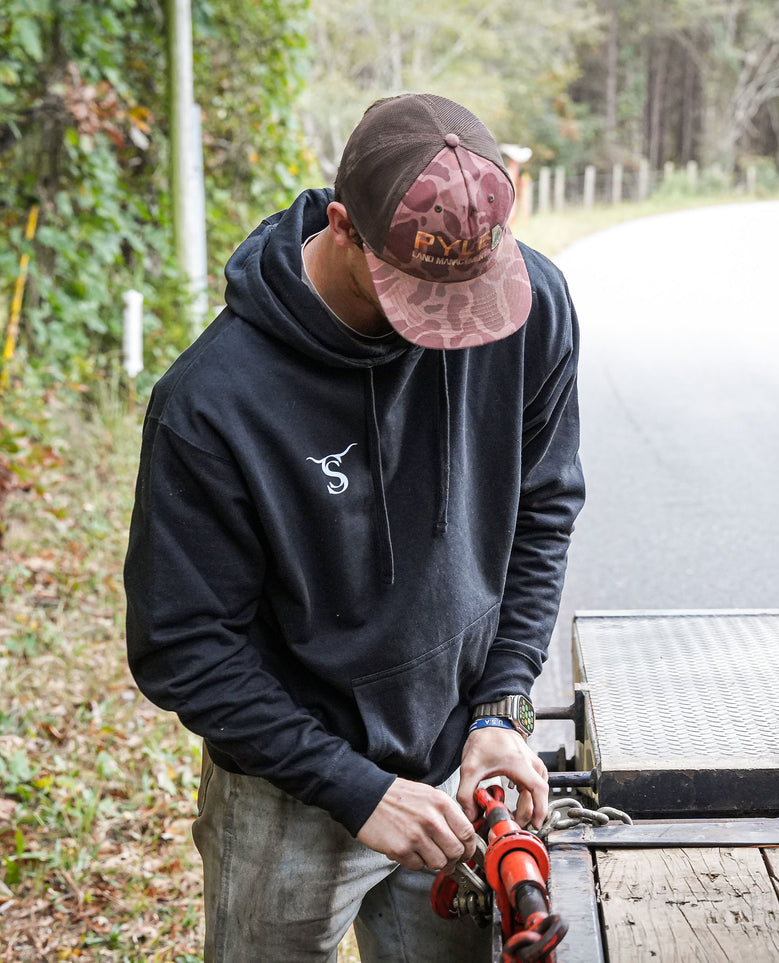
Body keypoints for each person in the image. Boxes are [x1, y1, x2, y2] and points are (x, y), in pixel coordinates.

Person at [124, 92, 584, 961]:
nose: (454, 332)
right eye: (420, 296)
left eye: (470, 295)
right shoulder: (213, 404)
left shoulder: (532, 310)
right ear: (343, 225)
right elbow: (182, 644)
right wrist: (354, 787)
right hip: (288, 790)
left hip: (458, 764)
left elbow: (543, 508)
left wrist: (500, 706)